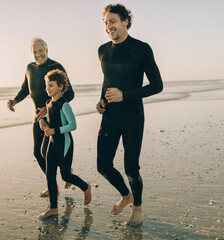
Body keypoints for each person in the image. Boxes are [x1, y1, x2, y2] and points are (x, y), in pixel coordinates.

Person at [96, 4, 163, 226]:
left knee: (131, 167)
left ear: (126, 21)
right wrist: (102, 100)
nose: (108, 27)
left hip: (132, 116)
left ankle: (137, 208)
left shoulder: (141, 49)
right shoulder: (103, 50)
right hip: (110, 117)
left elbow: (157, 85)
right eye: (106, 23)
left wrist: (125, 95)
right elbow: (107, 79)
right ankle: (126, 195)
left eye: (113, 21)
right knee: (103, 165)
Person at [7, 38, 75, 197]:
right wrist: (14, 101)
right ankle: (54, 185)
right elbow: (25, 89)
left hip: (55, 118)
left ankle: (65, 172)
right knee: (37, 153)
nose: (38, 54)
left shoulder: (56, 67)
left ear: (46, 50)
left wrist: (49, 107)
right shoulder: (29, 68)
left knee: (46, 152)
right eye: (35, 52)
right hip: (38, 118)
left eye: (41, 51)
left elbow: (70, 93)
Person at [38, 69, 91, 219]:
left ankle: (86, 187)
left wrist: (54, 131)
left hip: (65, 144)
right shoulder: (49, 103)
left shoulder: (64, 104)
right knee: (49, 176)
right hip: (52, 144)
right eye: (47, 86)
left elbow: (73, 125)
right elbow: (51, 118)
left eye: (51, 85)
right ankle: (53, 208)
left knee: (65, 175)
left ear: (60, 86)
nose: (47, 89)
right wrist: (43, 121)